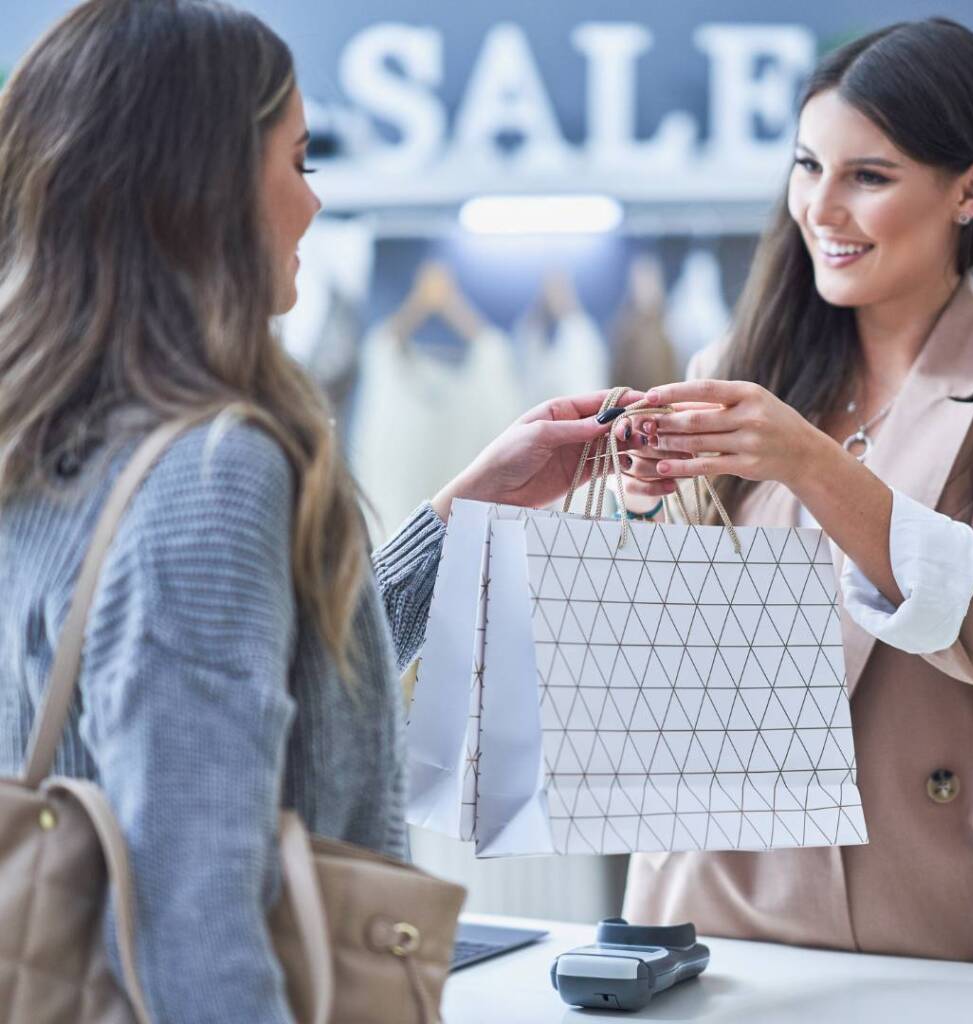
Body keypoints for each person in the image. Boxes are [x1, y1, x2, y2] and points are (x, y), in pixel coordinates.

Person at [0, 2, 640, 1020]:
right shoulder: (208, 471)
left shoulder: (46, 426)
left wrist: (459, 514)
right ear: (200, 191)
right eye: (297, 162)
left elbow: (272, 706)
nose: (313, 203)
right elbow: (200, 925)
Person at [615, 18, 973, 966]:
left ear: (972, 190)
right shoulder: (735, 365)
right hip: (712, 890)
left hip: (936, 907)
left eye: (868, 177)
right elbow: (656, 631)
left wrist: (813, 463)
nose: (821, 209)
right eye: (808, 167)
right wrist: (640, 500)